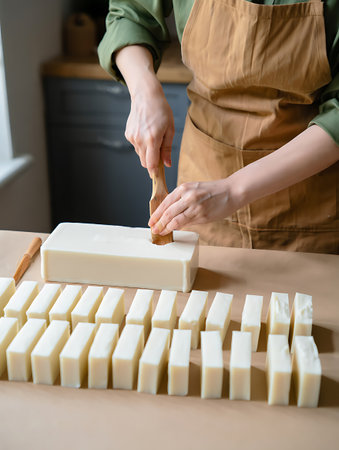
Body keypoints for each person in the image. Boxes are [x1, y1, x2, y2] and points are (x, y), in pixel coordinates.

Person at [98, 0, 339, 253]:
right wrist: (144, 91)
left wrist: (233, 190)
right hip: (201, 198)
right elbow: (130, 15)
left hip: (311, 206)